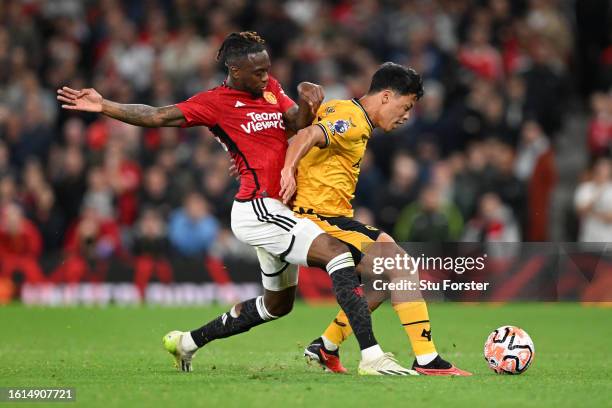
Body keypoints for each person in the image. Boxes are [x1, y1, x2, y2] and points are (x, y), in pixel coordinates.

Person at [57, 32, 413, 376]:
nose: (266, 77)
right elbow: (157, 115)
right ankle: (371, 355)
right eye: (258, 72)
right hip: (258, 207)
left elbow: (295, 125)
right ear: (234, 70)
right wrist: (104, 105)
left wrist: (307, 103)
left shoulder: (270, 89)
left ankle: (188, 341)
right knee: (336, 253)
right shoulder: (214, 103)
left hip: (282, 211)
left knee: (278, 306)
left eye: (267, 68)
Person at [279, 62, 471, 375]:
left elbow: (298, 127)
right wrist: (287, 170)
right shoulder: (351, 120)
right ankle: (427, 360)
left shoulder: (343, 109)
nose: (407, 115)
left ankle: (326, 345)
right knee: (401, 265)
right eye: (405, 106)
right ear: (385, 97)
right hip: (318, 218)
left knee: (385, 272)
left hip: (332, 217)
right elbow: (307, 135)